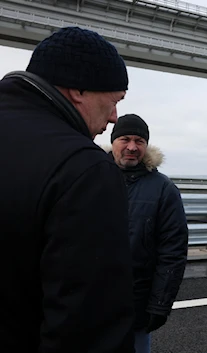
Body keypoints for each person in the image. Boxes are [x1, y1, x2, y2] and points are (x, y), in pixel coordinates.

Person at [0, 26, 135, 352]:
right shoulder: (82, 169)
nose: (116, 117)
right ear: (78, 90)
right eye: (114, 100)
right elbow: (87, 329)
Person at [106, 114, 189, 353]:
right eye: (125, 139)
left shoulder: (164, 189)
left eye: (139, 141)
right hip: (91, 301)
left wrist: (160, 304)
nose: (132, 147)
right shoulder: (91, 176)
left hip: (136, 305)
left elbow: (172, 251)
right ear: (113, 141)